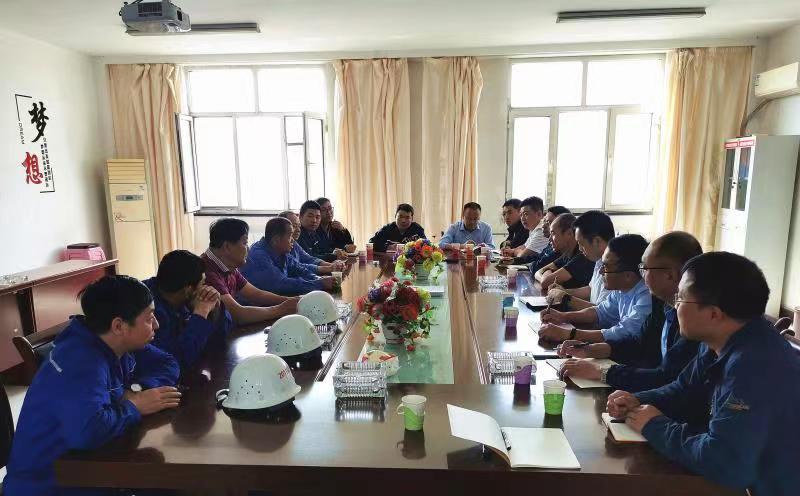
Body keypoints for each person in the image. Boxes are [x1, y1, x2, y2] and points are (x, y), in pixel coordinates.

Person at [607, 252, 800, 495]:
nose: (675, 306)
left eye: (681, 298)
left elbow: (725, 463)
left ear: (714, 313)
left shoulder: (754, 366)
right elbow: (683, 389)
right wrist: (638, 400)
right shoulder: (719, 342)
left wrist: (654, 425)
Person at [3, 276, 181, 496]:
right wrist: (135, 406)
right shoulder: (80, 361)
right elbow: (88, 432)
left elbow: (168, 364)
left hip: (88, 469)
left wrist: (139, 391)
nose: (156, 324)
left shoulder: (114, 342)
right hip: (50, 484)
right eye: (149, 318)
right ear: (119, 326)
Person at [557, 231, 703, 392]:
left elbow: (667, 377)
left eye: (644, 269)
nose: (641, 275)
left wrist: (604, 373)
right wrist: (591, 349)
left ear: (670, 275)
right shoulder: (662, 304)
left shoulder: (693, 320)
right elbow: (639, 343)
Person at [539, 234, 651, 344]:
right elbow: (600, 312)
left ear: (628, 275)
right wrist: (562, 316)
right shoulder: (621, 289)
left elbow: (622, 333)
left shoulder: (647, 297)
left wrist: (569, 334)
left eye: (606, 266)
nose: (601, 271)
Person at [145, 250, 234, 371]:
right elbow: (177, 360)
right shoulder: (149, 312)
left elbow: (219, 340)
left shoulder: (180, 296)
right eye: (202, 283)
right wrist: (201, 313)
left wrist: (215, 311)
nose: (205, 287)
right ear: (188, 290)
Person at [202, 217, 298, 325]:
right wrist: (281, 309)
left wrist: (291, 300)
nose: (248, 249)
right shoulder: (206, 272)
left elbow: (255, 294)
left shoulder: (227, 265)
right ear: (227, 247)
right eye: (245, 243)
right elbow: (238, 314)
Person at [242, 217, 335, 296]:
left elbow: (300, 269)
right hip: (255, 306)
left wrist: (318, 278)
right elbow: (282, 284)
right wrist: (319, 283)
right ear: (276, 239)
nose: (293, 240)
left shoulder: (281, 251)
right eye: (290, 235)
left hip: (276, 301)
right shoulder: (258, 256)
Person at [548, 210, 615, 310]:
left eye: (581, 244)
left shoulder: (616, 268)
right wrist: (564, 291)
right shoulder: (599, 259)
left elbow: (603, 312)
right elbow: (591, 289)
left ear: (597, 241)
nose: (579, 249)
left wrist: (565, 298)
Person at [534, 213, 595, 291]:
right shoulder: (567, 253)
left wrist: (547, 271)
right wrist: (547, 272)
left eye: (553, 233)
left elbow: (545, 282)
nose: (550, 239)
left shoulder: (582, 256)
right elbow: (538, 272)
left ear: (569, 233)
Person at [278, 210, 345, 275]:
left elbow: (309, 259)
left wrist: (332, 265)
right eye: (294, 226)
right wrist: (329, 268)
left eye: (299, 226)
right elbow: (298, 267)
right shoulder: (280, 247)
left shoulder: (294, 243)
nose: (298, 230)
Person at [526, 206, 571, 271]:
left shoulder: (560, 247)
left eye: (549, 222)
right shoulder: (551, 243)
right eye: (544, 221)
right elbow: (538, 258)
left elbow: (538, 267)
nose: (543, 226)